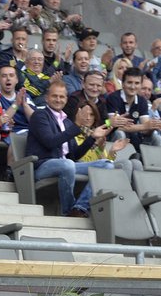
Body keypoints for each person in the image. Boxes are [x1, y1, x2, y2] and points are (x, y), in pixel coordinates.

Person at [25, 80, 106, 217]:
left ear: (66, 99)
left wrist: (92, 137)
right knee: (67, 165)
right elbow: (50, 142)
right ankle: (67, 211)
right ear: (47, 98)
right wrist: (77, 126)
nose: (58, 99)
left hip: (66, 164)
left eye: (62, 97)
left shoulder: (67, 122)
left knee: (107, 165)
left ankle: (79, 208)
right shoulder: (39, 116)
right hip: (43, 166)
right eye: (54, 96)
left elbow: (74, 155)